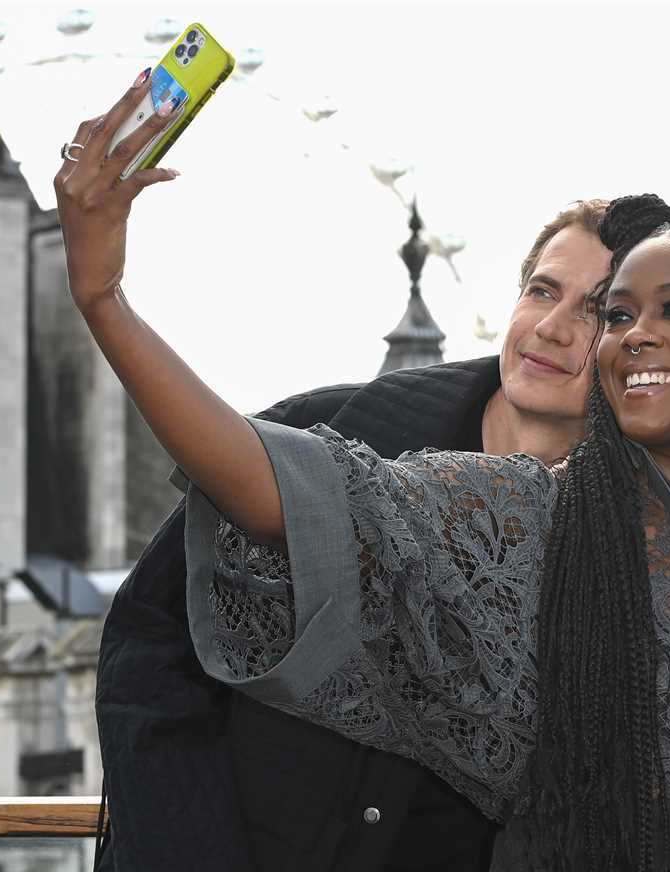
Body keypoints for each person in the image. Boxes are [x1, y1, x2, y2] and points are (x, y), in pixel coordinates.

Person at [59, 76, 670, 872]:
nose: (626, 335)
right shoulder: (511, 516)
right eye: (618, 313)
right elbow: (277, 496)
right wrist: (104, 298)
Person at [83, 73, 614, 871]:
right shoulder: (324, 429)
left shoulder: (629, 540)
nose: (552, 327)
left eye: (600, 311)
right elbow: (148, 644)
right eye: (542, 290)